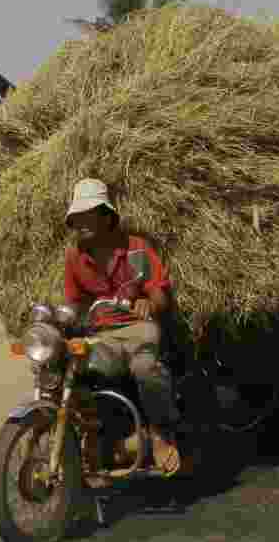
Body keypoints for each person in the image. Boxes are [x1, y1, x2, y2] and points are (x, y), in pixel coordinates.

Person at [62, 178, 186, 475]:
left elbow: (159, 294)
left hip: (138, 328)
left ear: (106, 216)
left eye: (87, 214)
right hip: (102, 335)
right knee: (72, 371)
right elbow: (75, 304)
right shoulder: (74, 257)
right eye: (76, 216)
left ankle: (160, 433)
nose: (80, 222)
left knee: (145, 367)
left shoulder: (136, 249)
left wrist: (149, 304)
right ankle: (95, 439)